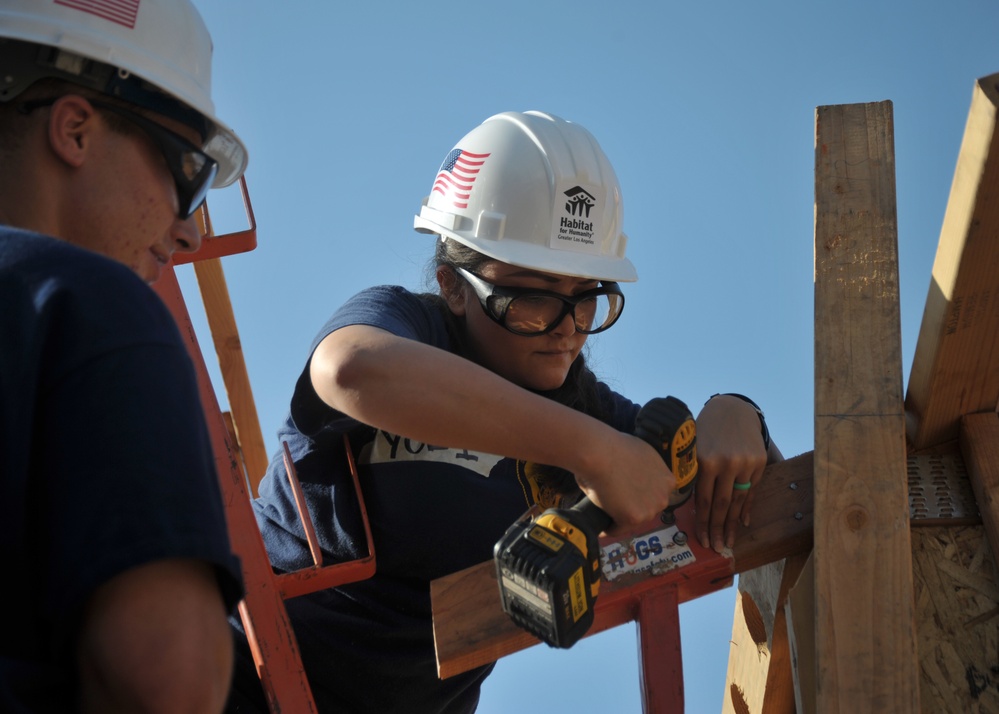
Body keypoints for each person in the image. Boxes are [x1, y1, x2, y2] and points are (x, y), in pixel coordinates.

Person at [226, 111, 781, 713]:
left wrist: (736, 414)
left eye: (588, 299)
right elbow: (349, 370)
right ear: (454, 285)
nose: (568, 330)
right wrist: (591, 452)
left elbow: (737, 494)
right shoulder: (405, 327)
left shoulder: (584, 409)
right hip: (235, 680)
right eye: (533, 299)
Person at [0, 1, 249, 711]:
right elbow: (166, 681)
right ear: (75, 129)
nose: (187, 231)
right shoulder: (87, 305)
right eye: (188, 175)